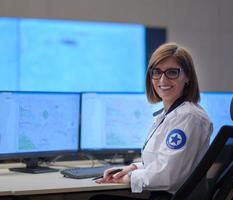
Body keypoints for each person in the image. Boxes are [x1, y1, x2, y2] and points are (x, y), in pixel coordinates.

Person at [89, 42, 213, 200]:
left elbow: (169, 177)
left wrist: (130, 177)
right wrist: (133, 167)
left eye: (172, 72)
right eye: (157, 72)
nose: (163, 80)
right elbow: (167, 162)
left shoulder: (188, 117)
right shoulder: (170, 114)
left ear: (187, 77)